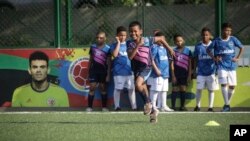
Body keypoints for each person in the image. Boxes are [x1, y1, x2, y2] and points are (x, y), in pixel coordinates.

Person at [127, 21, 174, 123]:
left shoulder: (148, 40)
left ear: (140, 31)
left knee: (138, 84)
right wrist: (138, 45)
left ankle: (148, 104)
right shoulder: (129, 43)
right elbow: (130, 57)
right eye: (131, 31)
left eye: (135, 31)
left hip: (146, 67)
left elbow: (161, 38)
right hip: (136, 69)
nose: (133, 33)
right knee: (142, 89)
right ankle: (153, 112)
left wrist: (169, 48)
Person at [207, 23, 244, 112]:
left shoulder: (233, 39)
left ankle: (226, 105)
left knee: (232, 86)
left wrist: (238, 57)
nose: (228, 32)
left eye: (230, 31)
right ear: (222, 30)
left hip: (231, 66)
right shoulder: (216, 40)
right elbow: (208, 49)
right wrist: (214, 58)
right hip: (221, 65)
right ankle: (227, 105)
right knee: (224, 84)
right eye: (226, 30)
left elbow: (241, 47)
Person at [110, 26, 137, 111]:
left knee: (131, 89)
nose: (123, 37)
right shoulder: (113, 45)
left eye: (125, 35)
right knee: (118, 89)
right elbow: (114, 55)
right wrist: (118, 43)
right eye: (121, 35)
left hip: (129, 71)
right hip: (118, 72)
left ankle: (134, 107)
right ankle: (117, 106)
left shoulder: (129, 44)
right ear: (117, 35)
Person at [193, 27, 218, 112]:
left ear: (210, 36)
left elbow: (217, 57)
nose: (205, 36)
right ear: (201, 36)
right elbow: (195, 58)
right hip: (200, 72)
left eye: (207, 35)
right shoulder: (198, 46)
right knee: (199, 89)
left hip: (211, 72)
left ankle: (210, 107)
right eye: (203, 35)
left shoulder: (214, 45)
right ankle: (197, 106)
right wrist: (194, 69)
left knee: (211, 90)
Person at [86, 31, 111, 112]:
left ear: (105, 39)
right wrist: (88, 71)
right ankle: (89, 107)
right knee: (92, 87)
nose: (98, 39)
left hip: (103, 72)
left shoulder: (108, 48)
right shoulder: (93, 47)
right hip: (94, 71)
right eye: (97, 37)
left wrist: (108, 74)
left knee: (103, 88)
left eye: (101, 38)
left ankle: (104, 107)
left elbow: (109, 62)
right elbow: (90, 60)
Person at [149, 31, 174, 112]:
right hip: (157, 74)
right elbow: (151, 59)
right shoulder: (154, 47)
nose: (162, 41)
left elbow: (170, 60)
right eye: (160, 39)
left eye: (163, 39)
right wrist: (156, 69)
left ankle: (163, 105)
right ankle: (153, 106)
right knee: (155, 90)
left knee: (164, 90)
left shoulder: (166, 49)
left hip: (165, 73)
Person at [171, 34, 192, 111]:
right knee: (174, 89)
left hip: (184, 73)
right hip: (176, 73)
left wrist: (189, 75)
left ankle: (182, 106)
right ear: (174, 42)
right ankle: (173, 106)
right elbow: (172, 63)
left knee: (183, 88)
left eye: (180, 41)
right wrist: (173, 75)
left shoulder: (188, 50)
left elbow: (190, 63)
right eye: (177, 41)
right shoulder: (173, 51)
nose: (179, 42)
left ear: (183, 41)